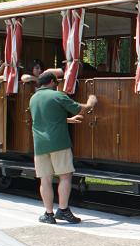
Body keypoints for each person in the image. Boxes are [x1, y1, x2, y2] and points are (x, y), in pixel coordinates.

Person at [29, 71, 97, 224]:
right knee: (65, 176)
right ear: (52, 82)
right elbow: (81, 108)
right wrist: (91, 102)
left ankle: (48, 214)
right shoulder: (57, 95)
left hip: (40, 145)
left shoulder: (33, 98)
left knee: (45, 180)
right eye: (57, 82)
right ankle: (63, 210)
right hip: (58, 142)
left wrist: (68, 120)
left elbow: (46, 118)